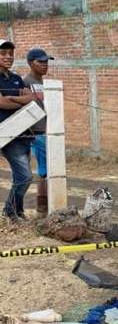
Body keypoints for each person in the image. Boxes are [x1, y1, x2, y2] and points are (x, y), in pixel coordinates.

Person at [0, 39, 36, 220]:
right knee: (25, 177)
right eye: (3, 53)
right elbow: (1, 103)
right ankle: (9, 211)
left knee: (19, 177)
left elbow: (31, 97)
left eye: (10, 54)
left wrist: (11, 99)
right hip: (6, 135)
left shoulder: (15, 78)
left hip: (23, 133)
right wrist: (17, 100)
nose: (8, 57)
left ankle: (17, 211)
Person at [23, 48, 53, 214]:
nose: (44, 65)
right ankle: (42, 207)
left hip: (48, 130)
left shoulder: (46, 84)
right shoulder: (25, 82)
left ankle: (45, 205)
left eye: (46, 61)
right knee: (45, 170)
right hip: (36, 133)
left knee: (48, 169)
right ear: (30, 63)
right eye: (40, 62)